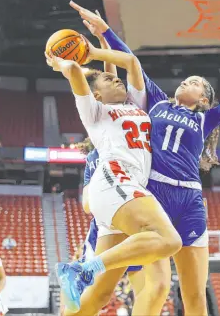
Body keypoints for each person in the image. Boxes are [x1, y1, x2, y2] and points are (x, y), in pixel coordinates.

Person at [69, 0, 220, 316]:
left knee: (194, 295)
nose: (187, 81)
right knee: (148, 287)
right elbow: (134, 65)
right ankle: (86, 278)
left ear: (204, 99)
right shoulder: (155, 102)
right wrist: (104, 33)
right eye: (187, 79)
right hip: (153, 194)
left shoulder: (207, 118)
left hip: (190, 199)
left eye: (196, 82)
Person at [45, 26, 182, 313]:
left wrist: (100, 41)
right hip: (115, 181)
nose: (116, 81)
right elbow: (73, 72)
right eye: (108, 79)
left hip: (122, 192)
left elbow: (131, 63)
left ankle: (85, 274)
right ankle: (81, 269)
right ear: (96, 93)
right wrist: (63, 62)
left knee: (98, 295)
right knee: (169, 240)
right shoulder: (94, 111)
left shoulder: (134, 104)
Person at [76, 136, 171, 315]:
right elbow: (88, 205)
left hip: (140, 227)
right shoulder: (97, 156)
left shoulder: (144, 150)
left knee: (154, 290)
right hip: (111, 225)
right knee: (96, 296)